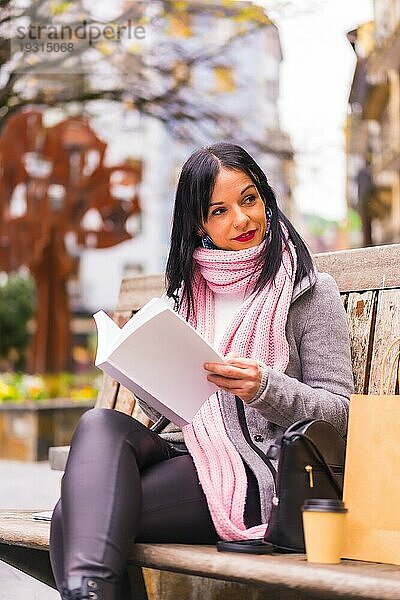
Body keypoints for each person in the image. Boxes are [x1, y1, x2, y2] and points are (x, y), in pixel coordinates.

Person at [50, 142, 354, 599]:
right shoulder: (187, 296)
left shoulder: (309, 292)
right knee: (98, 423)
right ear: (198, 224)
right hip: (187, 451)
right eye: (219, 210)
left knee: (68, 518)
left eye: (249, 199)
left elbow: (342, 414)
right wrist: (149, 376)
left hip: (256, 471)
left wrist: (264, 388)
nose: (242, 220)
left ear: (266, 198)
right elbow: (181, 408)